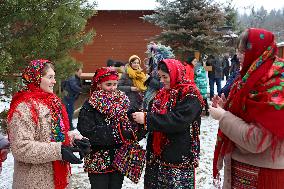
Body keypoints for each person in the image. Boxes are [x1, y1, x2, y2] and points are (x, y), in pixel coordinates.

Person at [209, 28, 284, 188]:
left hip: (262, 177)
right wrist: (227, 109)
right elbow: (246, 117)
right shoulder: (250, 79)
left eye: (243, 51)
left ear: (260, 52)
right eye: (238, 51)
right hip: (246, 172)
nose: (238, 56)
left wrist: (223, 116)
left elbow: (257, 140)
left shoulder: (275, 84)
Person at [7, 59, 89, 189]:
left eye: (54, 77)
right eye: (50, 77)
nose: (54, 81)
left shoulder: (53, 102)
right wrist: (58, 150)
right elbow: (20, 148)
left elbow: (56, 134)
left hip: (58, 179)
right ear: (37, 78)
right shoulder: (23, 107)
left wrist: (73, 140)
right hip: (34, 182)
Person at [132, 59, 203, 188]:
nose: (161, 81)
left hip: (178, 156)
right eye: (160, 77)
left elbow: (178, 120)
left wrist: (148, 119)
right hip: (157, 156)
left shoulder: (190, 94)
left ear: (176, 73)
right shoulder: (162, 94)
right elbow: (154, 114)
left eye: (165, 77)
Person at [77, 67, 145, 189]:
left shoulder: (123, 100)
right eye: (108, 84)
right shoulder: (91, 104)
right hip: (98, 158)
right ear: (99, 84)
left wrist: (137, 126)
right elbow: (86, 129)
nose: (113, 88)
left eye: (115, 84)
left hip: (119, 157)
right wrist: (116, 132)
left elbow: (130, 125)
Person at [62, 66, 82, 130]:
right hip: (69, 97)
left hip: (69, 97)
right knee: (70, 112)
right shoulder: (72, 78)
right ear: (76, 72)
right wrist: (81, 89)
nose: (80, 75)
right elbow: (74, 86)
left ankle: (68, 125)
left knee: (69, 111)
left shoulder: (74, 77)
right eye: (79, 73)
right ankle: (69, 126)